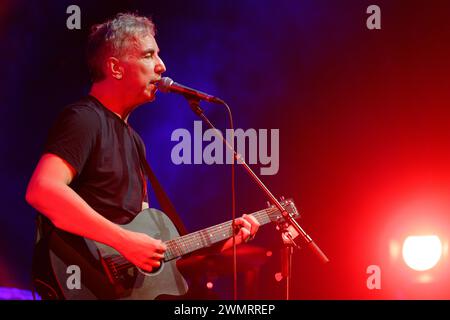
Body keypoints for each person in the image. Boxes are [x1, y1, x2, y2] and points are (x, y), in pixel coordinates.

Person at [25, 12, 259, 299]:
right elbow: (43, 190)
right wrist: (124, 240)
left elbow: (154, 254)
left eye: (157, 56)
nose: (161, 66)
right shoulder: (84, 118)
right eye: (149, 56)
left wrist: (221, 242)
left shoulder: (134, 141)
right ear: (116, 67)